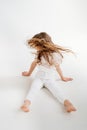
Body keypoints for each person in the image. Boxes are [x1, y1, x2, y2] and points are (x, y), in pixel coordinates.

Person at [21, 32, 76, 113]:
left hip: (50, 79)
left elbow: (58, 67)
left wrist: (62, 77)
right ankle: (26, 104)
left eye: (36, 45)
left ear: (43, 45)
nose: (35, 48)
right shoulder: (39, 53)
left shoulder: (55, 55)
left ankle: (68, 104)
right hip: (39, 78)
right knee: (33, 89)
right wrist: (29, 73)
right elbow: (33, 63)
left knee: (57, 91)